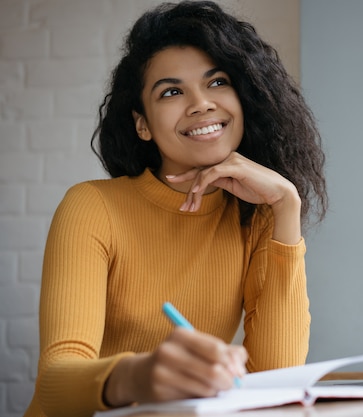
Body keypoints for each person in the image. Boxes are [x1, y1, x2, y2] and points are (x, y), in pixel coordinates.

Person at [24, 2, 327, 416]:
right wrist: (139, 376)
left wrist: (286, 206)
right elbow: (54, 385)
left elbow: (275, 377)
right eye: (171, 91)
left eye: (217, 82)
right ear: (143, 124)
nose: (201, 104)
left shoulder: (257, 216)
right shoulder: (92, 206)